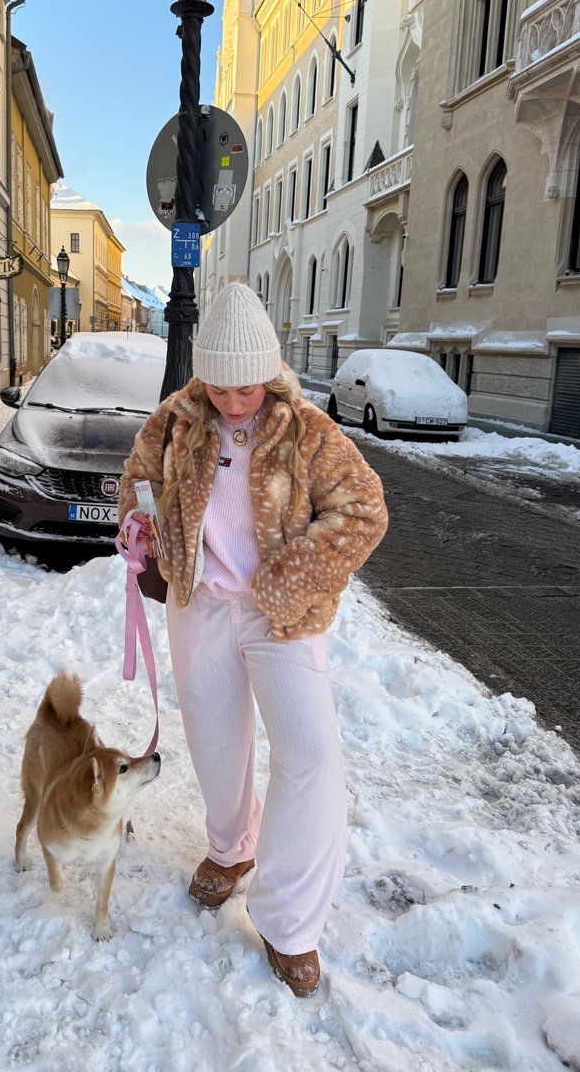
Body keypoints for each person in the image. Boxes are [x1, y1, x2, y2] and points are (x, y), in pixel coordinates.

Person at [118, 283, 388, 997]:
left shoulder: (306, 431)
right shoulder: (175, 422)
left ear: (270, 374)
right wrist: (141, 527)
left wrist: (286, 581)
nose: (234, 403)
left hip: (284, 614)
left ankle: (288, 920)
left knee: (309, 752)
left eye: (248, 388)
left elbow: (364, 512)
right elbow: (136, 484)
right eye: (220, 387)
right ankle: (232, 847)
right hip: (198, 606)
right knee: (215, 743)